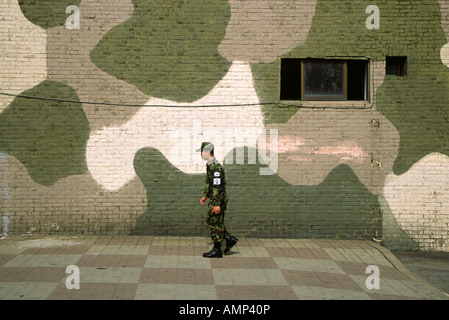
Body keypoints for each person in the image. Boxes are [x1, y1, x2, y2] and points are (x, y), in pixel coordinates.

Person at [197, 142, 238, 258]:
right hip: (215, 199)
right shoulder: (210, 164)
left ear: (206, 152)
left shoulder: (215, 167)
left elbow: (218, 187)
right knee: (212, 221)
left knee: (215, 223)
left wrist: (217, 204)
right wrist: (205, 195)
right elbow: (209, 183)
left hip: (218, 200)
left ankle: (217, 250)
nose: (201, 154)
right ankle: (229, 239)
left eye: (201, 152)